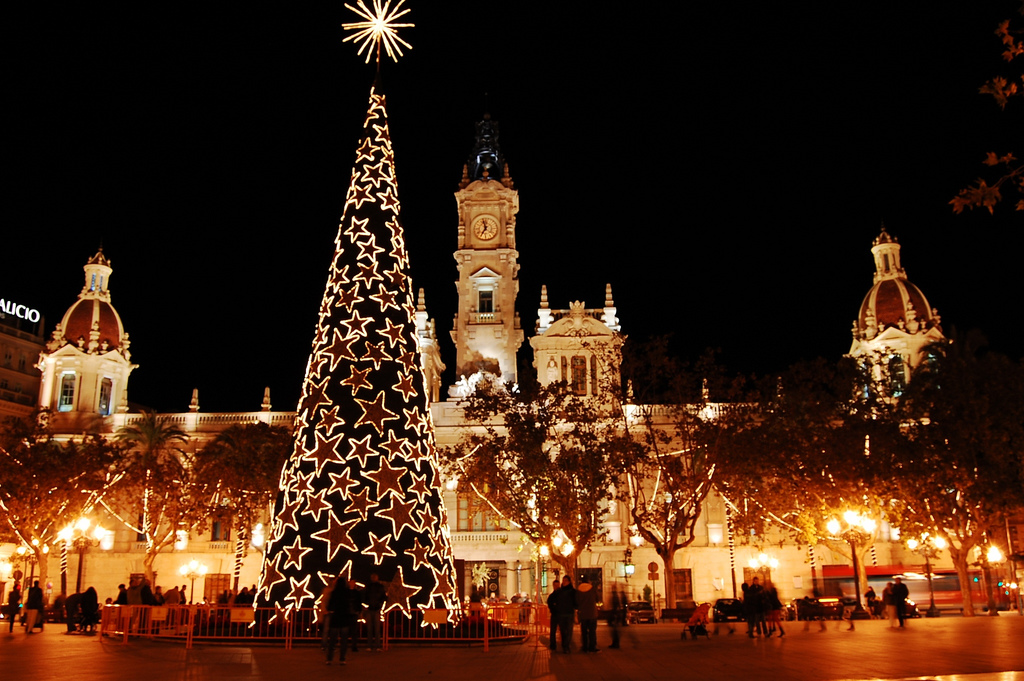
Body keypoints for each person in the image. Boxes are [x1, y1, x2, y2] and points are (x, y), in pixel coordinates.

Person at [325, 576, 355, 665]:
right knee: (344, 641)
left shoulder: (334, 593)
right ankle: (342, 658)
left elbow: (330, 606)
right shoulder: (347, 593)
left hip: (335, 618)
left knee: (332, 640)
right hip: (345, 618)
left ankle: (329, 659)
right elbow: (350, 605)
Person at [552, 575, 577, 653]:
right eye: (563, 580)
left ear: (569, 582)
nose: (564, 582)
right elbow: (552, 600)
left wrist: (575, 609)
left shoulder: (573, 591)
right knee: (563, 631)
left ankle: (566, 646)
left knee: (569, 631)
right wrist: (555, 609)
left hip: (569, 613)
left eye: (566, 580)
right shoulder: (559, 591)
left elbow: (576, 602)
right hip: (561, 614)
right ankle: (564, 645)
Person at [362, 572, 387, 652]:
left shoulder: (370, 587)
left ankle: (373, 645)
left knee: (373, 629)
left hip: (374, 609)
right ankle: (376, 646)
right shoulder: (378, 587)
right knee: (374, 629)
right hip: (374, 609)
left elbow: (365, 596)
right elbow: (384, 597)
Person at [576, 575, 599, 652]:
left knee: (584, 631)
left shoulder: (578, 590)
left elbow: (577, 602)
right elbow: (597, 599)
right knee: (592, 631)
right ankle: (592, 647)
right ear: (588, 581)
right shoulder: (592, 589)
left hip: (583, 614)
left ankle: (585, 647)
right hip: (592, 613)